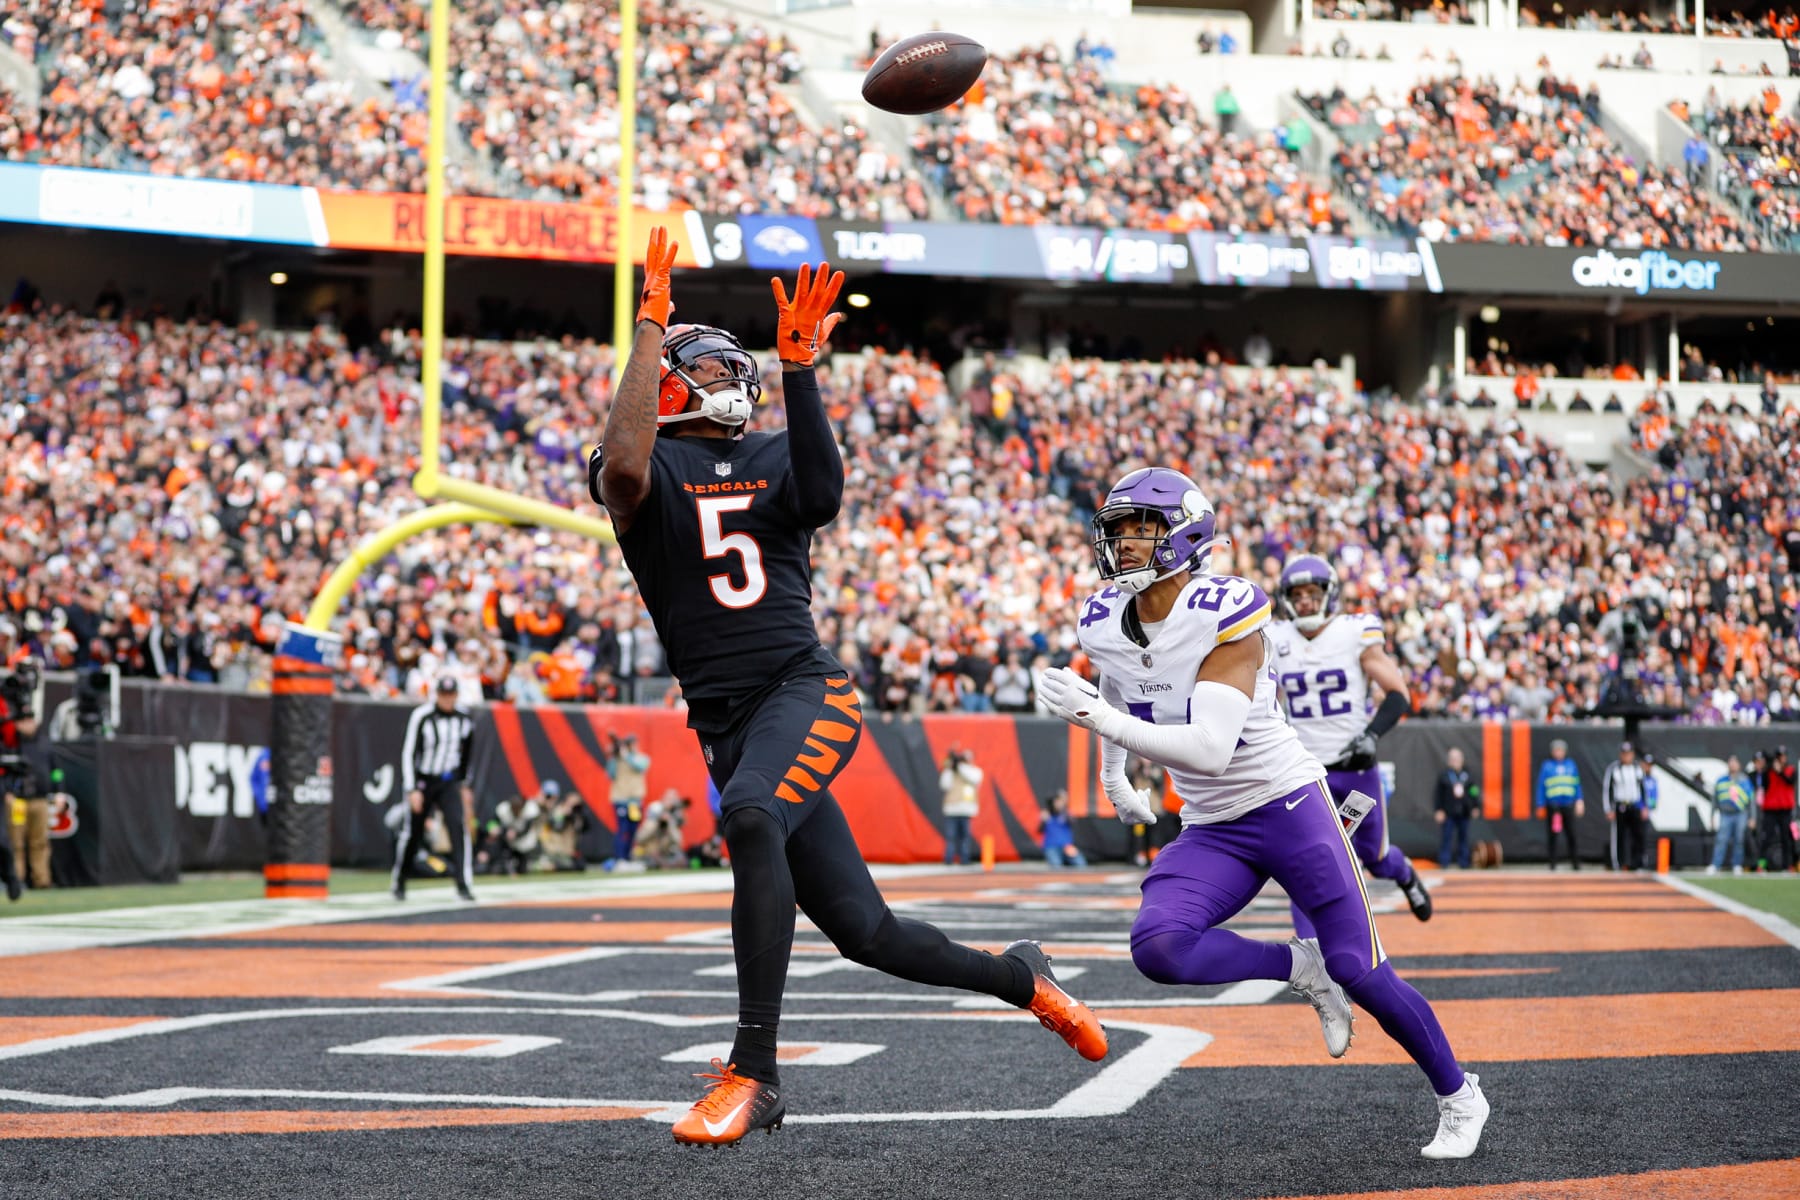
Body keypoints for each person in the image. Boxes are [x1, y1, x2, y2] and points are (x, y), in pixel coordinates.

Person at [587, 231, 1107, 1146]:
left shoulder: (778, 454)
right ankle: (1024, 976)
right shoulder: (644, 468)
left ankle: (755, 1072)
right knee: (869, 933)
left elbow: (823, 495)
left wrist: (800, 370)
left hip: (803, 690)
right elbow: (624, 466)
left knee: (750, 817)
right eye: (695, 363)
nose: (713, 373)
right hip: (730, 724)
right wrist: (645, 327)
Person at [1038, 466, 1488, 1159]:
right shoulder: (1102, 617)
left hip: (1288, 805)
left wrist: (1095, 719)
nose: (1125, 542)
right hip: (1213, 824)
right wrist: (1112, 771)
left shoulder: (1229, 607)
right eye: (1118, 528)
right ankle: (1295, 967)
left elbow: (1211, 748)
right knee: (1159, 946)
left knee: (1360, 969)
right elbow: (1120, 676)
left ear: (1185, 535)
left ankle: (1460, 1096)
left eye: (1142, 527)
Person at [1268, 554, 1431, 923]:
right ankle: (1312, 959)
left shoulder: (1355, 631)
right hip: (1305, 771)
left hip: (1353, 767)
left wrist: (1372, 735)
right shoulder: (1274, 637)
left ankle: (1404, 874)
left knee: (1374, 857)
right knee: (1304, 862)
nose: (1306, 600)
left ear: (1329, 594)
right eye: (1298, 593)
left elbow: (1398, 693)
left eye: (1313, 592)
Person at [392, 676, 477, 901]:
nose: (447, 699)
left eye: (451, 695)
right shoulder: (422, 716)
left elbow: (467, 754)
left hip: (449, 781)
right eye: (443, 695)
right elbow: (409, 752)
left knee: (457, 828)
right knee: (413, 833)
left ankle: (463, 884)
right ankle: (400, 879)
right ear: (436, 695)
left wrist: (465, 783)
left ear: (456, 695)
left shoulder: (464, 718)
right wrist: (412, 789)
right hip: (424, 780)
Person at [1536, 738, 1584, 870]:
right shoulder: (1547, 766)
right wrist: (1540, 804)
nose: (1558, 752)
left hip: (1567, 804)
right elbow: (1541, 786)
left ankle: (1575, 862)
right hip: (1553, 806)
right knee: (1553, 834)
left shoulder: (1571, 765)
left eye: (1561, 750)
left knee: (1571, 834)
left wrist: (1579, 800)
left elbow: (1577, 784)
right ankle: (1552, 863)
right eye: (1556, 750)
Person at [1602, 741, 1651, 871]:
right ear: (1620, 754)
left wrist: (1645, 807)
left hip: (1634, 805)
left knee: (1638, 836)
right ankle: (1619, 863)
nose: (1626, 756)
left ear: (1633, 754)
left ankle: (1638, 863)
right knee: (1620, 836)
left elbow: (1643, 789)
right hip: (1620, 806)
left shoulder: (1637, 768)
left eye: (1629, 754)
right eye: (1624, 754)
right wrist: (1609, 809)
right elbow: (1608, 790)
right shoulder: (1614, 769)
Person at [604, 732, 650, 867]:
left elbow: (640, 767)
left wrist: (626, 756)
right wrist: (614, 757)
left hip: (635, 802)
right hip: (621, 800)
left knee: (632, 830)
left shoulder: (641, 758)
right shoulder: (617, 760)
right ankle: (620, 858)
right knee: (623, 830)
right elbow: (610, 775)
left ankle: (628, 858)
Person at [1708, 755, 1754, 876]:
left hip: (1741, 813)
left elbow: (1751, 801)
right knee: (1721, 839)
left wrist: (1752, 817)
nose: (1732, 765)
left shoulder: (1744, 780)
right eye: (1730, 762)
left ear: (1739, 765)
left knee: (1739, 839)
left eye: (1735, 762)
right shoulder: (1721, 780)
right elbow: (1714, 800)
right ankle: (1716, 864)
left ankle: (1737, 864)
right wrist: (1712, 816)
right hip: (1725, 814)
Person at [1434, 747, 1477, 869]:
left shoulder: (1468, 775)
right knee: (1446, 837)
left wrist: (1475, 806)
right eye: (1452, 759)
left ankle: (1464, 862)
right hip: (1448, 812)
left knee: (1464, 837)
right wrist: (1439, 809)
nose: (1454, 761)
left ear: (1462, 760)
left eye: (1457, 759)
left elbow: (1474, 791)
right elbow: (1438, 794)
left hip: (1464, 811)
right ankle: (1444, 862)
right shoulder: (1444, 776)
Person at [939, 745, 982, 865]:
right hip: (952, 809)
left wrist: (959, 765)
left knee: (965, 836)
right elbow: (944, 785)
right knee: (950, 836)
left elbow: (973, 778)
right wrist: (950, 767)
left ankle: (965, 859)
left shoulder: (974, 771)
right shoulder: (952, 773)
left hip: (966, 809)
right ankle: (948, 859)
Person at [1757, 745, 1797, 871]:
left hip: (1785, 809)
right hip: (1770, 809)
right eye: (1780, 756)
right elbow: (1764, 784)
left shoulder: (1791, 769)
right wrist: (1770, 768)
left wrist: (1780, 772)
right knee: (1766, 837)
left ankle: (1788, 865)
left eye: (1784, 756)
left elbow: (1790, 782)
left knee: (1786, 837)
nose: (1782, 758)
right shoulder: (1768, 771)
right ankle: (1761, 865)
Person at [1040, 788, 1086, 868]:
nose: (1059, 803)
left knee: (1081, 864)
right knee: (1056, 866)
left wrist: (1063, 807)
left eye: (1061, 801)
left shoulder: (1066, 813)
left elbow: (1072, 821)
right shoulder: (1046, 814)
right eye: (1057, 801)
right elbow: (1040, 830)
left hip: (1067, 846)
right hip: (1052, 847)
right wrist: (1044, 820)